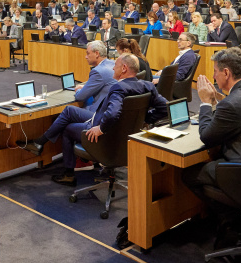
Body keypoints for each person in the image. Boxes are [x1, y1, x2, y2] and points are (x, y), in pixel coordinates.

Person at [24, 53, 166, 187]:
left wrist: (101, 129)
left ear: (124, 68)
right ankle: (40, 143)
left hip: (106, 133)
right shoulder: (147, 86)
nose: (112, 68)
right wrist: (143, 119)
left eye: (115, 65)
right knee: (69, 111)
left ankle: (68, 174)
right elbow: (165, 108)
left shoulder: (119, 87)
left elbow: (112, 114)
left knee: (67, 129)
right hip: (124, 132)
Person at [182, 49, 241, 224]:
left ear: (226, 72)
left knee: (189, 174)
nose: (214, 77)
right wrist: (216, 102)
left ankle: (233, 221)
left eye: (215, 72)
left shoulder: (233, 103)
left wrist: (205, 103)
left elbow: (206, 136)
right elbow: (235, 114)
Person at [16, 40, 115, 151]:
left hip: (99, 116)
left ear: (97, 54)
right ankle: (42, 144)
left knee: (68, 111)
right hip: (110, 114)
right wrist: (86, 86)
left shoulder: (98, 71)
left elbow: (80, 97)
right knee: (69, 120)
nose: (85, 57)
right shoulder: (112, 64)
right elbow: (102, 83)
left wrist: (78, 90)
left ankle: (40, 143)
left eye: (88, 53)